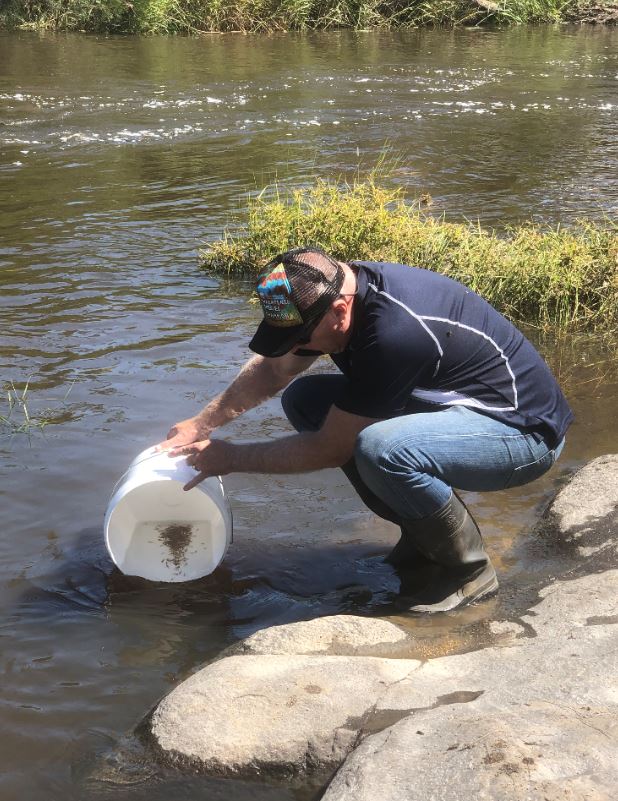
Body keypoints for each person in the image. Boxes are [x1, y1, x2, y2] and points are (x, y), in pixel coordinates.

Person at [158, 246, 572, 613]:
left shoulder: (394, 334)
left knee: (382, 449)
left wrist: (229, 458)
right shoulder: (334, 295)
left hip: (523, 435)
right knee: (305, 400)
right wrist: (199, 424)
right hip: (456, 405)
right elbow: (274, 370)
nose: (298, 346)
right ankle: (424, 540)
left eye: (302, 336)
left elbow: (330, 449)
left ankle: (468, 571)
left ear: (340, 310)